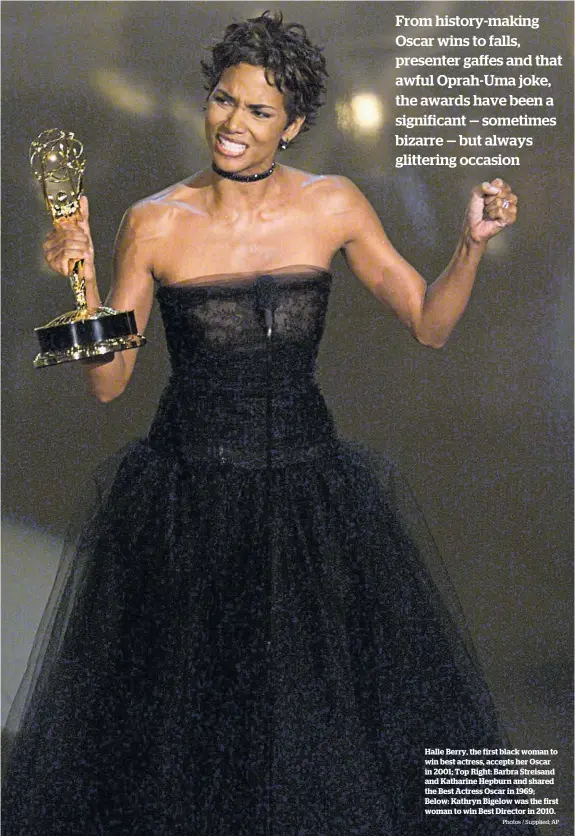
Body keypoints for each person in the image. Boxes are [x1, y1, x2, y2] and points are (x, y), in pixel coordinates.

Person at [3, 11, 537, 836]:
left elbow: (429, 324)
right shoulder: (152, 221)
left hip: (310, 504)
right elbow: (111, 383)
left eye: (259, 111)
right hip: (186, 507)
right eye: (225, 100)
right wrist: (77, 282)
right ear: (206, 102)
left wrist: (468, 245)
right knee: (187, 748)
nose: (233, 124)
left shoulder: (334, 206)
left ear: (291, 126)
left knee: (311, 741)